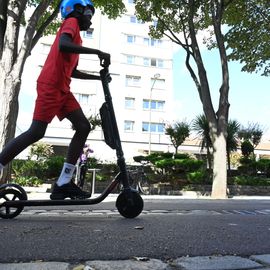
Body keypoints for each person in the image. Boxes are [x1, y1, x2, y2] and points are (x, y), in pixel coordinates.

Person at [0, 0, 110, 200]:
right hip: (51, 86)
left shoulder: (77, 39)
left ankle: (63, 182)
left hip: (63, 89)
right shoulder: (71, 23)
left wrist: (98, 77)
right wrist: (97, 52)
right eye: (88, 14)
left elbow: (73, 70)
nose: (90, 20)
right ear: (76, 10)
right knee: (36, 132)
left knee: (83, 126)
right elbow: (63, 45)